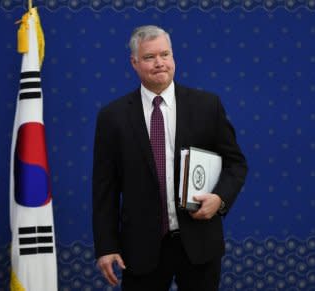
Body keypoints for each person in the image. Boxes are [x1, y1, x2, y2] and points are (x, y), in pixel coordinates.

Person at [92, 25, 248, 290]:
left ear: (173, 57)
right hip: (141, 249)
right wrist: (106, 246)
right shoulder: (112, 117)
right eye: (150, 57)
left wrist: (220, 199)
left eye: (165, 54)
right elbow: (104, 188)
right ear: (134, 62)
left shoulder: (207, 106)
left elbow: (236, 164)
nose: (159, 63)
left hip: (199, 244)